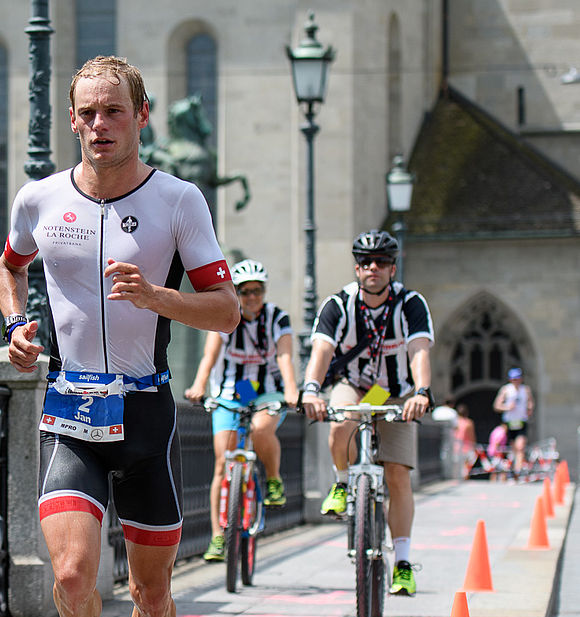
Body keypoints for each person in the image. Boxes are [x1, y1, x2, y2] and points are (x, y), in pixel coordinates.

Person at [0, 55, 239, 617]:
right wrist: (14, 324)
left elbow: (227, 309)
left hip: (146, 413)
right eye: (88, 114)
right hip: (71, 407)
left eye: (115, 112)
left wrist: (160, 297)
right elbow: (9, 265)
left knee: (155, 592)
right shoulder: (39, 199)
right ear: (72, 120)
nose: (101, 125)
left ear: (141, 117)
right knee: (70, 572)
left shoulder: (177, 201)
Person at [300, 229, 434, 597]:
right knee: (341, 420)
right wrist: (311, 388)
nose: (373, 268)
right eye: (365, 262)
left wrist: (421, 392)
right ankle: (342, 483)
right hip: (355, 384)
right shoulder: (338, 305)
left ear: (393, 267)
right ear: (357, 268)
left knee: (398, 476)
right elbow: (322, 352)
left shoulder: (410, 303)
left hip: (397, 393)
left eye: (382, 262)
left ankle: (403, 564)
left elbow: (419, 349)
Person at [184, 259, 299, 562]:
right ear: (235, 291)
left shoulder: (277, 318)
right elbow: (209, 356)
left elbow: (285, 357)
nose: (251, 298)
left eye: (257, 291)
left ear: (264, 291)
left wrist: (291, 390)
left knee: (261, 429)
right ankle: (217, 537)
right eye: (244, 291)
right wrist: (198, 385)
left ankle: (272, 478)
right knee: (222, 463)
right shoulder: (224, 315)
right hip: (233, 392)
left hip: (268, 391)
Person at [493, 367, 534, 475]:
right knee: (514, 447)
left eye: (517, 379)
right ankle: (513, 469)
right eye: (513, 379)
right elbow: (497, 405)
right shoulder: (506, 390)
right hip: (510, 422)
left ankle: (518, 471)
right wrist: (507, 407)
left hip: (521, 421)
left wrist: (529, 409)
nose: (515, 381)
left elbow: (530, 402)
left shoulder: (525, 390)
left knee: (520, 446)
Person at [452, 403, 478, 479]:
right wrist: (474, 446)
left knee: (456, 467)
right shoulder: (469, 423)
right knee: (466, 468)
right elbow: (472, 435)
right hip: (467, 447)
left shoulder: (455, 422)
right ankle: (464, 481)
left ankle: (456, 481)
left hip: (456, 447)